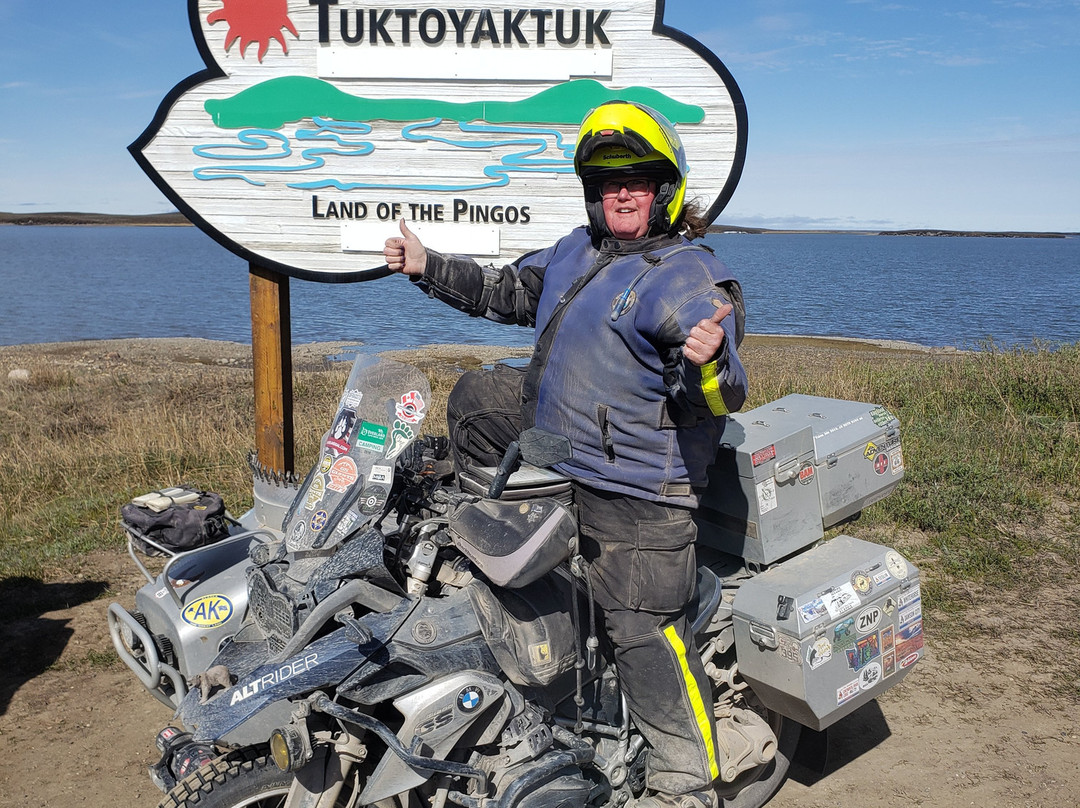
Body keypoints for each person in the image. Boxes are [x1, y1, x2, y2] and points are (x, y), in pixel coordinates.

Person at [384, 100, 748, 808]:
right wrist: (427, 265)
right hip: (558, 460)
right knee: (478, 396)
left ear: (665, 189)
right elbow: (507, 292)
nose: (622, 192)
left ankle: (685, 780)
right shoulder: (574, 251)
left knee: (645, 630)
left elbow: (720, 390)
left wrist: (705, 361)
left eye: (638, 180)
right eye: (610, 180)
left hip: (639, 494)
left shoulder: (688, 277)